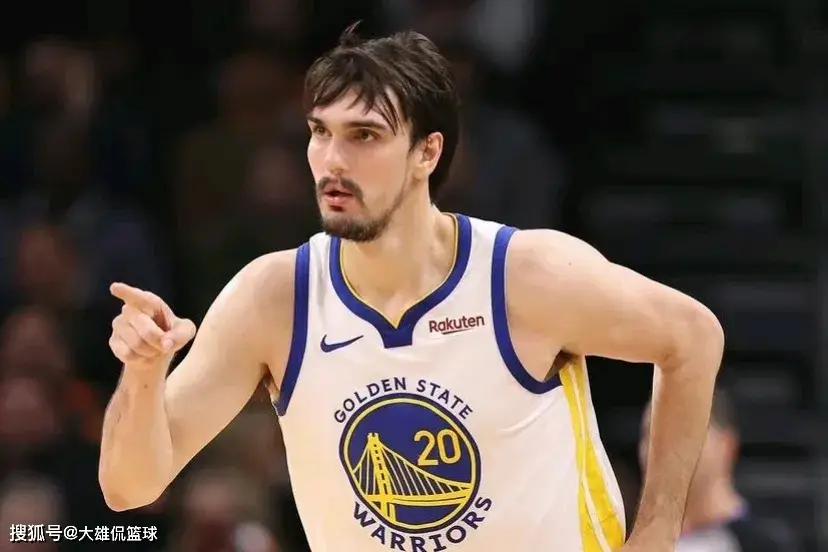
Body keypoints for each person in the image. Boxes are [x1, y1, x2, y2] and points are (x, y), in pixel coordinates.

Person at [98, 23, 725, 552]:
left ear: (427, 152)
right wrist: (144, 373)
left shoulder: (524, 276)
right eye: (320, 132)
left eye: (364, 135)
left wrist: (658, 529)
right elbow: (129, 489)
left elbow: (693, 337)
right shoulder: (275, 298)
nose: (332, 160)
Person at [639, 389, 801, 552]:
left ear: (726, 445)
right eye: (650, 433)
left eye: (681, 431)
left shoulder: (767, 544)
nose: (661, 447)